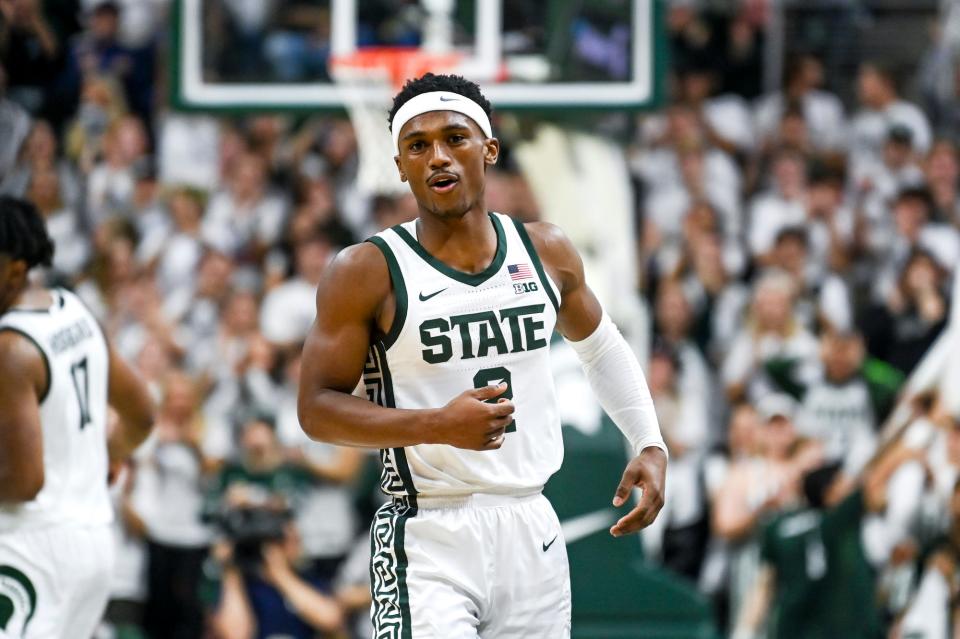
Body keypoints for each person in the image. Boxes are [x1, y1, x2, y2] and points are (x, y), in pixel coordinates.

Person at [297, 73, 668, 638]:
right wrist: (437, 425)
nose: (437, 157)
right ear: (398, 165)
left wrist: (648, 440)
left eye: (455, 138)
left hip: (533, 526)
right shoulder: (365, 270)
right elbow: (316, 408)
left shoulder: (546, 250)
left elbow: (602, 349)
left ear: (489, 149)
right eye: (418, 146)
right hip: (428, 532)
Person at [0, 196, 155, 638]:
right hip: (93, 545)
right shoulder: (74, 309)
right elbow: (142, 415)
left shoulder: (11, 348)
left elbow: (24, 480)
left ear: (14, 268)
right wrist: (104, 456)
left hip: (31, 548)